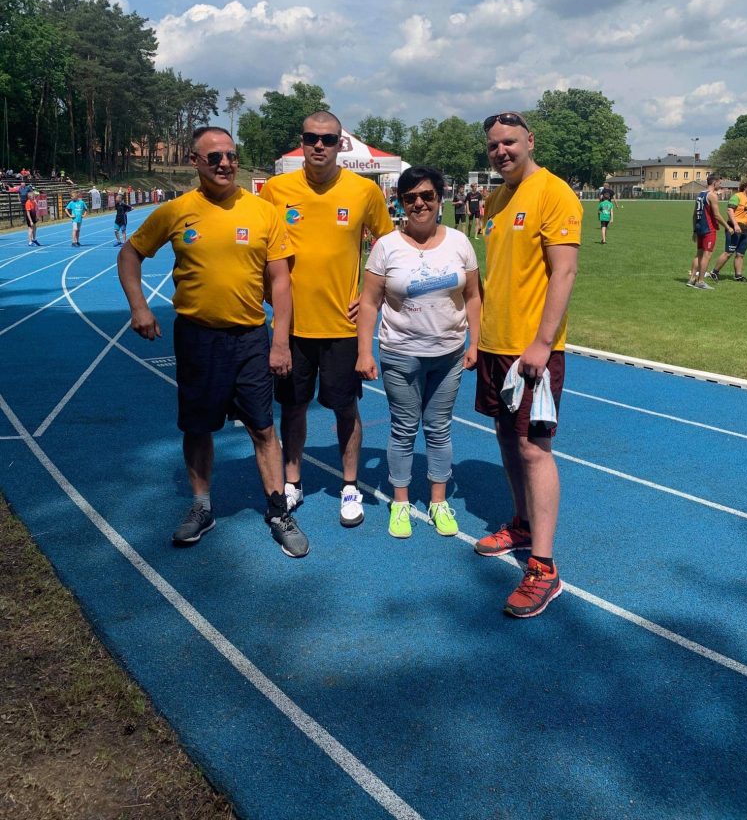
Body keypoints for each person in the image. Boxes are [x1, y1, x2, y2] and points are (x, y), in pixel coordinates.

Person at [117, 125, 309, 557]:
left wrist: (280, 341)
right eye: (214, 157)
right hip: (198, 339)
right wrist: (139, 307)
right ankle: (202, 506)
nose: (225, 163)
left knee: (263, 427)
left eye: (230, 155)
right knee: (198, 425)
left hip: (250, 339)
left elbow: (280, 280)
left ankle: (278, 510)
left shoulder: (263, 212)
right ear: (195, 161)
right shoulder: (177, 210)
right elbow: (130, 254)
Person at [260, 111, 393, 526]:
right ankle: (294, 481)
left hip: (343, 327)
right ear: (301, 142)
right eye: (311, 138)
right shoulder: (276, 191)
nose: (319, 146)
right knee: (293, 407)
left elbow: (390, 250)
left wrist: (376, 296)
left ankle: (350, 484)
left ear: (340, 143)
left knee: (345, 408)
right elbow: (259, 252)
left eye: (328, 139)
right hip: (292, 327)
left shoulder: (363, 192)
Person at [473, 111, 582, 619]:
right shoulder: (496, 197)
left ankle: (543, 567)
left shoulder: (554, 192)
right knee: (504, 438)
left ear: (530, 141)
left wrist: (542, 342)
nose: (501, 152)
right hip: (497, 346)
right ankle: (520, 524)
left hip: (532, 349)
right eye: (494, 146)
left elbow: (564, 272)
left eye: (510, 143)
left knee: (534, 449)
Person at [356, 166, 481, 539]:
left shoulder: (459, 242)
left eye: (426, 195)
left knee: (439, 429)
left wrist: (476, 342)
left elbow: (473, 296)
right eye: (410, 198)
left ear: (440, 199)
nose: (419, 203)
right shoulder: (386, 246)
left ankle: (439, 501)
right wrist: (365, 351)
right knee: (404, 428)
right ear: (401, 202)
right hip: (401, 353)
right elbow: (368, 303)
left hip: (448, 353)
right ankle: (400, 501)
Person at [709, 178, 747, 282]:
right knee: (729, 252)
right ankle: (714, 272)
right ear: (745, 187)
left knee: (740, 254)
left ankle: (738, 275)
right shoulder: (737, 196)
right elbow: (730, 210)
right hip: (734, 228)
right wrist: (736, 225)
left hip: (746, 230)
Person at [687, 174, 727, 289]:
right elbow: (717, 215)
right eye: (719, 182)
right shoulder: (712, 195)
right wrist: (728, 227)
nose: (720, 185)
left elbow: (694, 215)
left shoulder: (700, 194)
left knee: (698, 254)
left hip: (699, 228)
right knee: (707, 255)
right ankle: (701, 282)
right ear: (714, 183)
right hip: (709, 229)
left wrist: (694, 230)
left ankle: (692, 279)